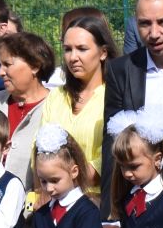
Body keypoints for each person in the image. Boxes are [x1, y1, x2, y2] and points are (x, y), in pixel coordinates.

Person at [50, 12, 117, 201]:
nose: (73, 57)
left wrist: (64, 180)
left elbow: (110, 156)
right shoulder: (56, 96)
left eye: (82, 49)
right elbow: (37, 148)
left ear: (103, 52)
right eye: (68, 49)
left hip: (97, 199)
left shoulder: (114, 96)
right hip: (54, 198)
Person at [0, 31, 56, 185]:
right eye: (0, 65)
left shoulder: (56, 106)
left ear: (35, 66)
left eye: (7, 65)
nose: (0, 72)